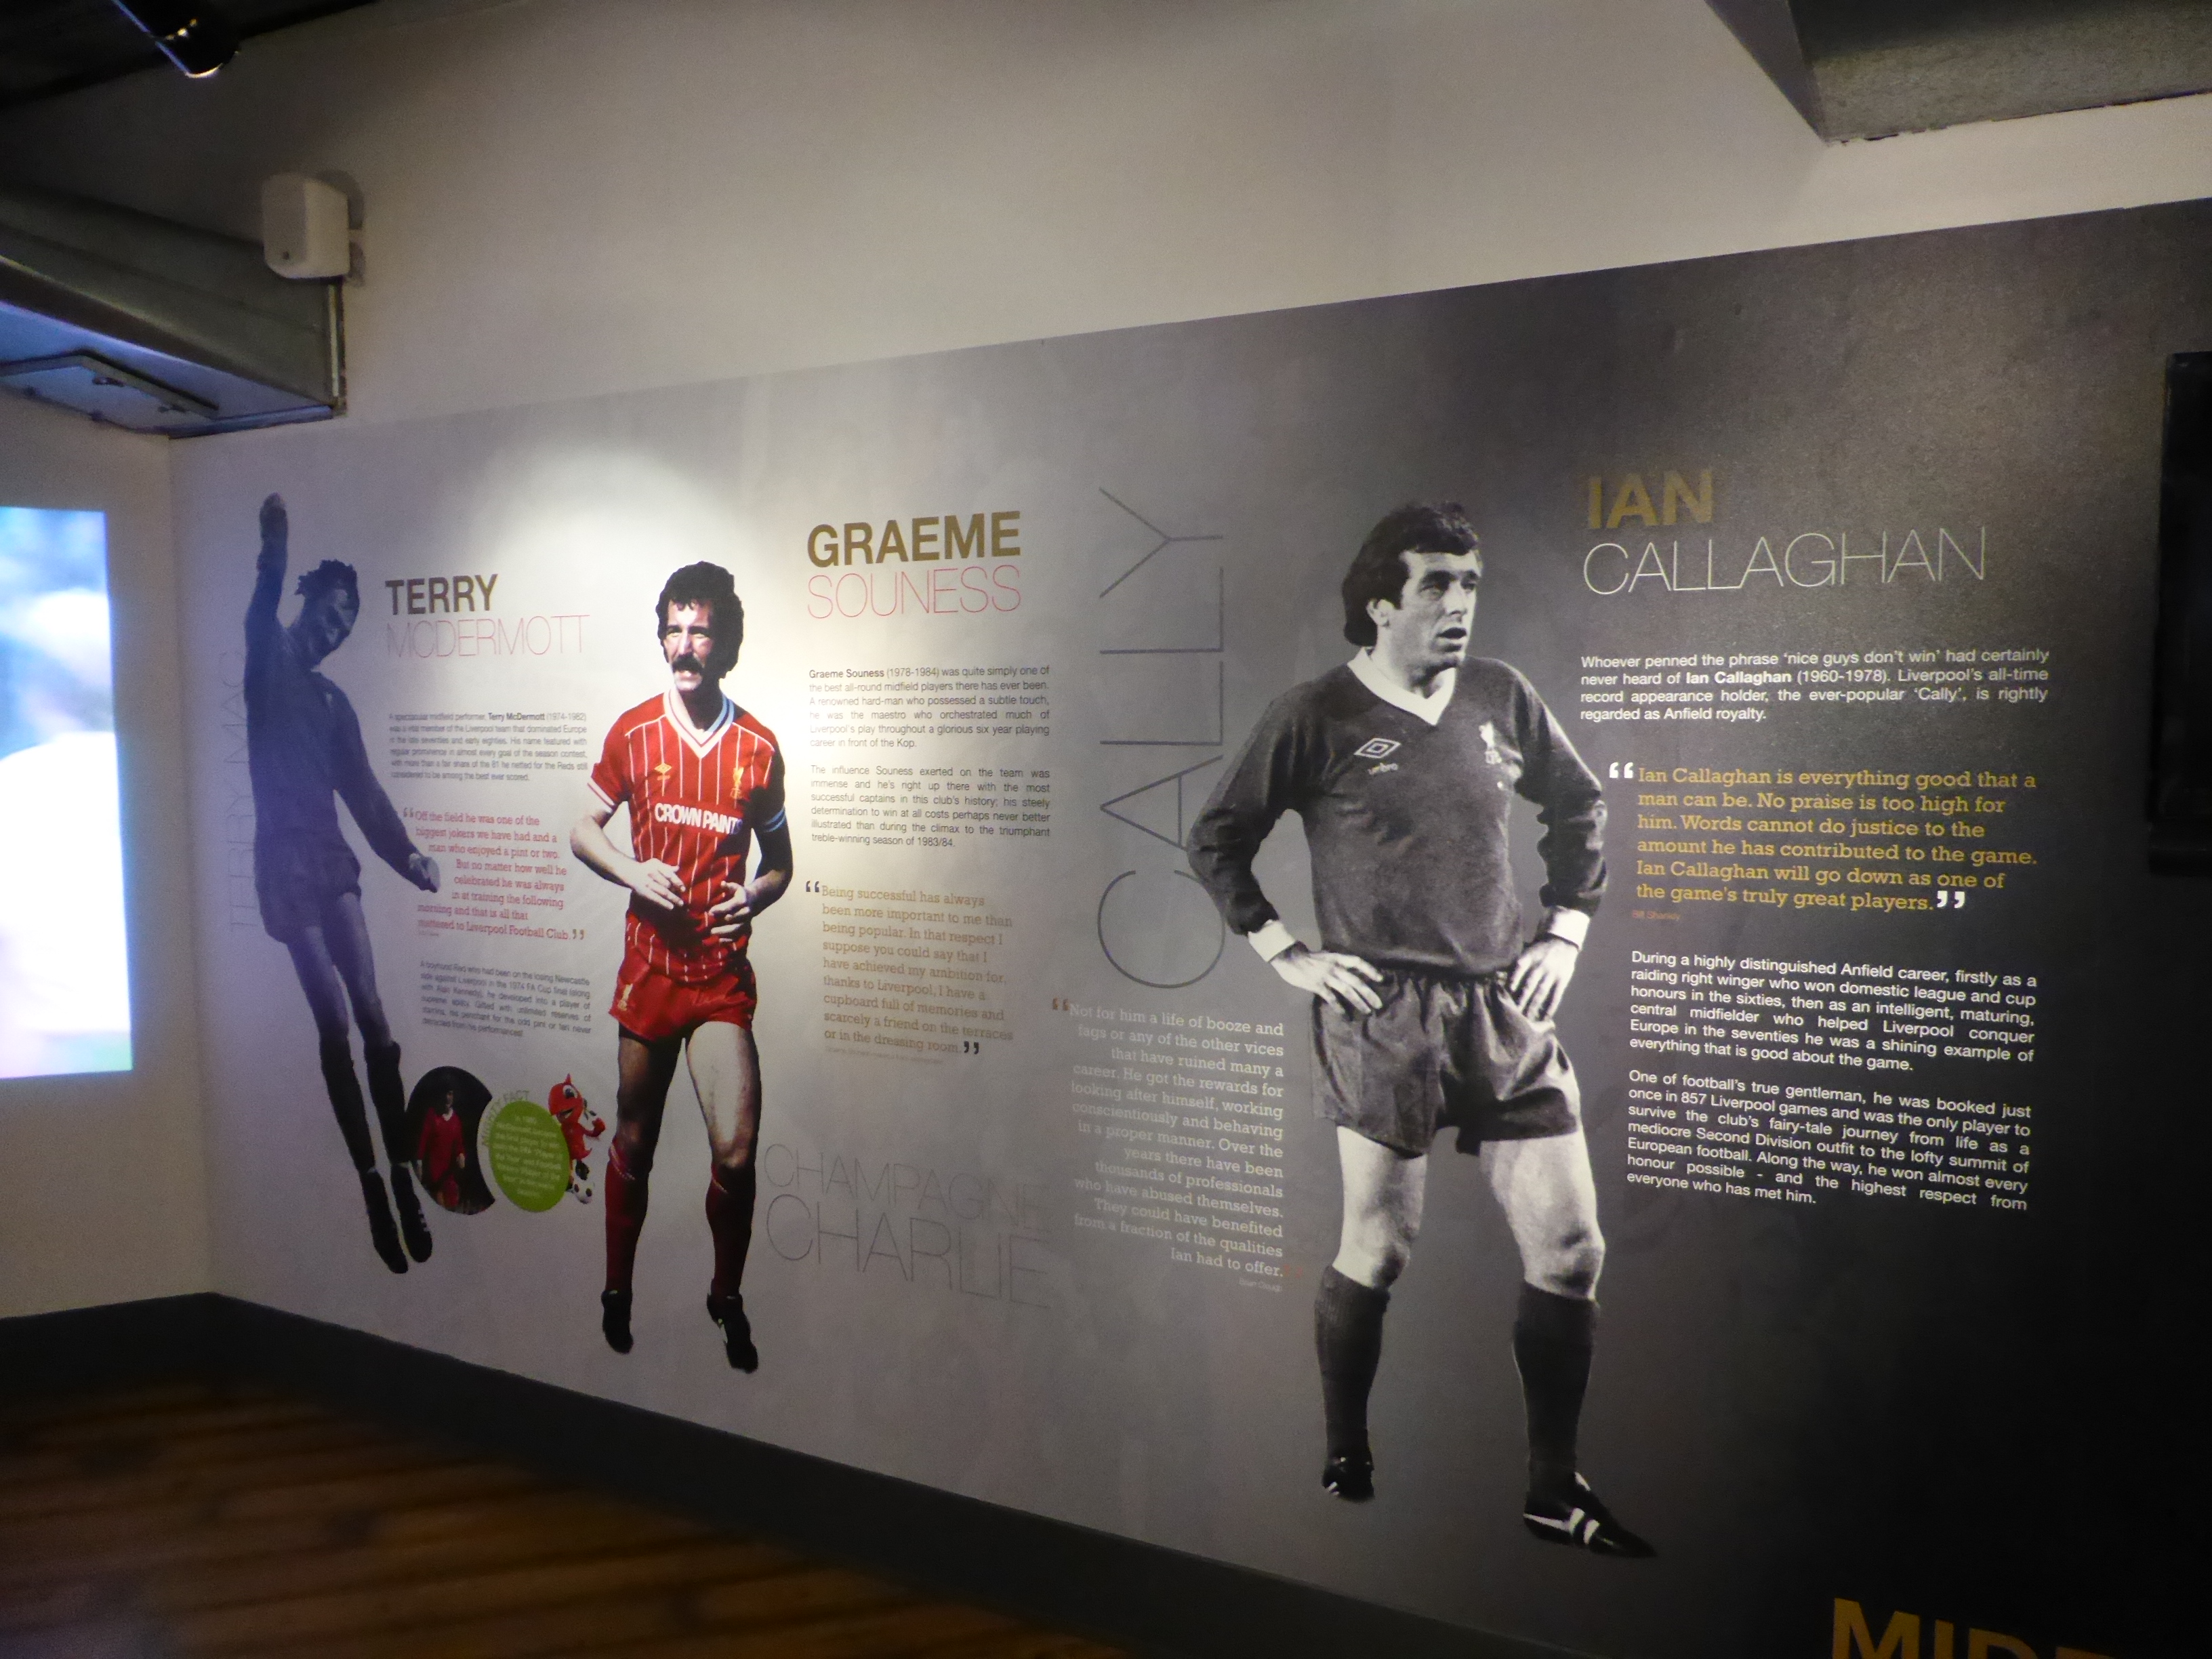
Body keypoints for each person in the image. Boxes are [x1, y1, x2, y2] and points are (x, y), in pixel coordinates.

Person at [1187, 502, 1651, 1557]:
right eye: (1436, 584)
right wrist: (1285, 952)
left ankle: (1552, 1487)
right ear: (1380, 602)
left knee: (1573, 1249)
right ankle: (1346, 1450)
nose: (1459, 604)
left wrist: (1566, 929)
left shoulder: (1501, 696)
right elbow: (1217, 836)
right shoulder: (1315, 714)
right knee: (1380, 1247)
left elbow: (1580, 803)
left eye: (1470, 584)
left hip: (1502, 1007)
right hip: (1383, 1012)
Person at [572, 562, 791, 1370]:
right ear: (661, 637)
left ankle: (725, 1296)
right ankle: (616, 1288)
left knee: (735, 1152)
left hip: (719, 980)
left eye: (700, 630)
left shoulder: (758, 747)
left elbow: (782, 864)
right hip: (652, 970)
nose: (684, 645)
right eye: (674, 629)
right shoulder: (634, 732)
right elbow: (583, 829)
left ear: (724, 642)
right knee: (635, 1139)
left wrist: (755, 895)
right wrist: (631, 870)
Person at [245, 493, 441, 1275]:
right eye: (330, 617)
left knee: (375, 1018)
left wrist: (409, 856)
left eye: (345, 628)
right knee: (333, 1024)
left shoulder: (334, 701)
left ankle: (403, 1175)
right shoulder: (267, 664)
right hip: (284, 867)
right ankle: (370, 1187)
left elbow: (363, 793)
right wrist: (276, 548)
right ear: (307, 603)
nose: (334, 633)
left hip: (331, 862)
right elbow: (261, 608)